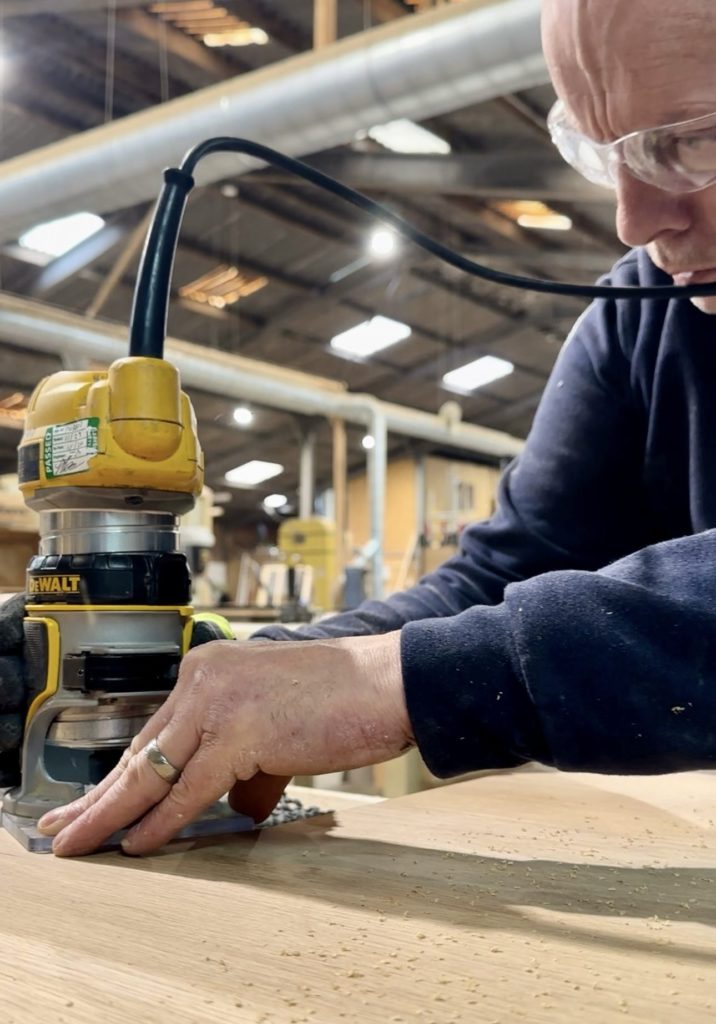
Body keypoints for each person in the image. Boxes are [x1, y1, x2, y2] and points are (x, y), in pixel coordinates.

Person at [11, 0, 716, 856]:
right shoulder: (642, 315)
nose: (636, 220)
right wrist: (236, 669)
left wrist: (403, 681)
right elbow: (504, 575)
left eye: (692, 142)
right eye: (602, 155)